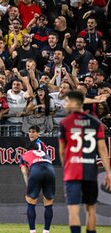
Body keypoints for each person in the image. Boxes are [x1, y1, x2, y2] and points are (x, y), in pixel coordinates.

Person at [59, 90, 111, 233]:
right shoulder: (95, 122)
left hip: (72, 173)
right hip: (90, 172)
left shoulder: (65, 123)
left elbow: (62, 152)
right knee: (91, 209)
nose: (65, 104)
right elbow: (102, 149)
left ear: (75, 103)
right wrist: (108, 172)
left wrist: (67, 167)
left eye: (67, 101)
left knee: (74, 210)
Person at [20, 142, 55, 233]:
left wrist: (28, 186)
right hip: (50, 171)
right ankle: (46, 231)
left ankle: (32, 231)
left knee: (31, 201)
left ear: (27, 149)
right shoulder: (45, 154)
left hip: (36, 170)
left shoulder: (25, 154)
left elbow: (24, 172)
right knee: (48, 202)